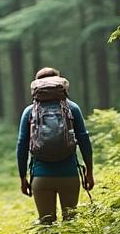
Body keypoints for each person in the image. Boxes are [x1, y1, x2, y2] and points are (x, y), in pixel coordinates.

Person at [16, 68, 94, 224]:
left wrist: (23, 177)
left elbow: (22, 146)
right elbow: (84, 141)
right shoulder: (72, 108)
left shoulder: (30, 111)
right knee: (71, 224)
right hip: (69, 174)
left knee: (47, 225)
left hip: (41, 176)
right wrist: (89, 172)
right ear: (60, 83)